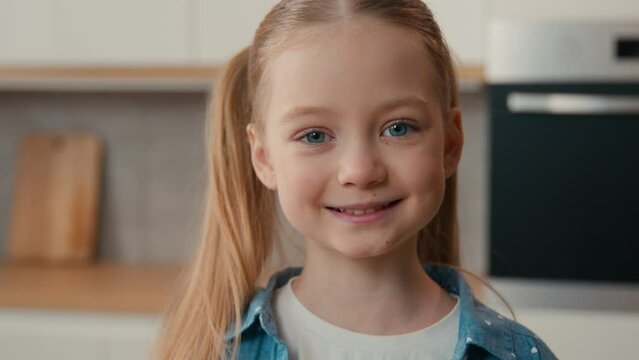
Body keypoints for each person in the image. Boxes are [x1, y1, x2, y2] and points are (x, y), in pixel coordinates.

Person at [153, 1, 558, 359]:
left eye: (398, 128)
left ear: (450, 144)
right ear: (263, 158)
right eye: (314, 135)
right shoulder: (217, 351)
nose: (360, 171)